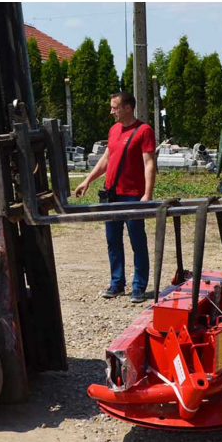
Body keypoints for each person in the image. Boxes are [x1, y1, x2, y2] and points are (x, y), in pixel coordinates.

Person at [74, 91, 156, 303]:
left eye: (115, 107)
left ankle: (139, 286)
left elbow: (149, 164)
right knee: (113, 241)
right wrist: (87, 180)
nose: (111, 111)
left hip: (133, 196)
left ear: (128, 107)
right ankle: (117, 283)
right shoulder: (113, 130)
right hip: (111, 195)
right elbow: (106, 159)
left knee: (137, 241)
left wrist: (147, 194)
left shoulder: (144, 131)